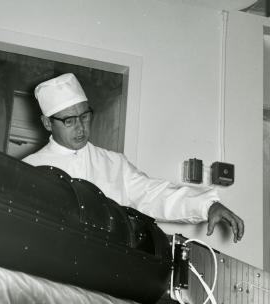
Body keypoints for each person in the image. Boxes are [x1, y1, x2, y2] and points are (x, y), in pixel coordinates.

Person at [23, 73, 245, 242]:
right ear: (46, 123)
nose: (80, 127)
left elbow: (154, 195)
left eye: (85, 116)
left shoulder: (113, 164)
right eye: (69, 121)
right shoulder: (30, 169)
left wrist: (207, 205)